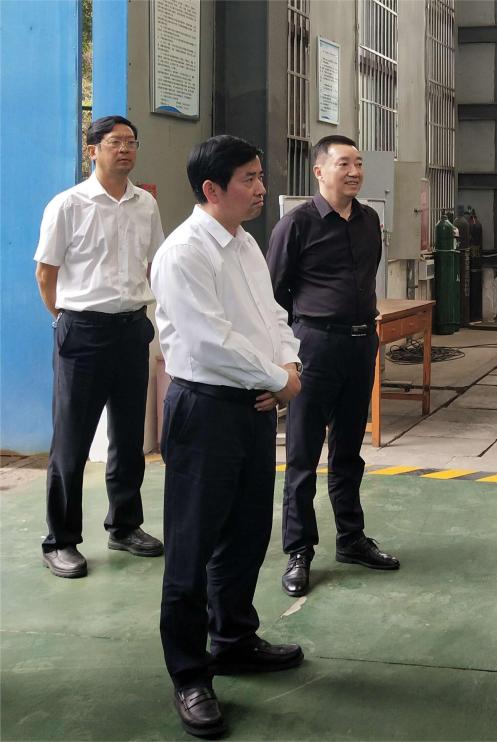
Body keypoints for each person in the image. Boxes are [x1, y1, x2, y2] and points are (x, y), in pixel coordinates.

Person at [151, 135, 304, 737]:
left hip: (253, 406)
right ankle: (190, 675)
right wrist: (279, 380)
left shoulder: (245, 245)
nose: (261, 188)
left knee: (246, 533)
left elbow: (272, 318)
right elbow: (210, 341)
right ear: (212, 189)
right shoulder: (184, 253)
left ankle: (235, 640)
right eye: (249, 178)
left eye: (260, 175)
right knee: (192, 548)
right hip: (206, 410)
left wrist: (288, 366)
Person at [267, 135, 399, 600]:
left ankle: (351, 538)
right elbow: (273, 295)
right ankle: (299, 550)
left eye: (358, 163)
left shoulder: (369, 220)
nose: (355, 171)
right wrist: (288, 349)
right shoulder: (296, 224)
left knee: (348, 450)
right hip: (314, 347)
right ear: (319, 171)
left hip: (360, 344)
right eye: (344, 163)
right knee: (303, 454)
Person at [33, 115, 165, 579]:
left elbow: (154, 265)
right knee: (71, 442)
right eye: (115, 142)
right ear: (93, 150)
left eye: (131, 142)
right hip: (83, 332)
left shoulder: (145, 204)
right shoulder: (68, 204)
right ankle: (60, 541)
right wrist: (64, 320)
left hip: (131, 330)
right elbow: (46, 273)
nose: (125, 149)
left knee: (129, 438)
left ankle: (124, 526)